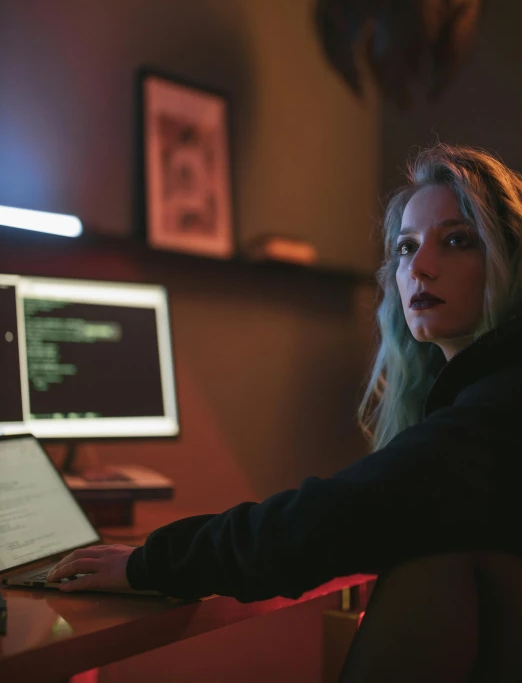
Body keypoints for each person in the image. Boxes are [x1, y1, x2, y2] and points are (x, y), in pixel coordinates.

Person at [47, 142, 522, 603]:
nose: (419, 267)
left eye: (456, 241)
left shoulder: (500, 407)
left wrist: (148, 564)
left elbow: (336, 517)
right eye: (405, 247)